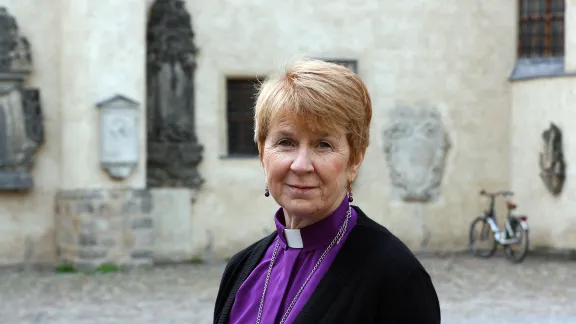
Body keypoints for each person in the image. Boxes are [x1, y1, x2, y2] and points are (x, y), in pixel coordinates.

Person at [213, 58, 441, 324]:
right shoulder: (240, 270)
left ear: (355, 160)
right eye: (286, 142)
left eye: (323, 145)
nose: (301, 165)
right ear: (263, 152)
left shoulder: (396, 276)